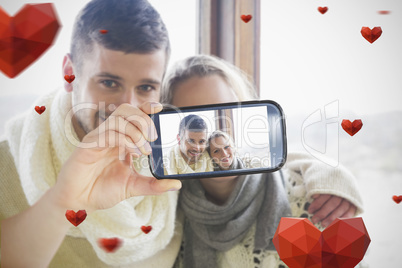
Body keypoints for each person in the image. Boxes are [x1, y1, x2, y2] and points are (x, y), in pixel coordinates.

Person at [0, 1, 182, 267]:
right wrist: (63, 199)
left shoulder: (173, 168)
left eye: (145, 87)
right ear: (70, 73)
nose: (127, 106)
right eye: (109, 83)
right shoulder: (6, 168)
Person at [160, 54, 364, 267]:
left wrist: (331, 169)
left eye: (223, 116)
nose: (210, 140)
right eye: (192, 120)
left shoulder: (312, 200)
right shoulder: (166, 217)